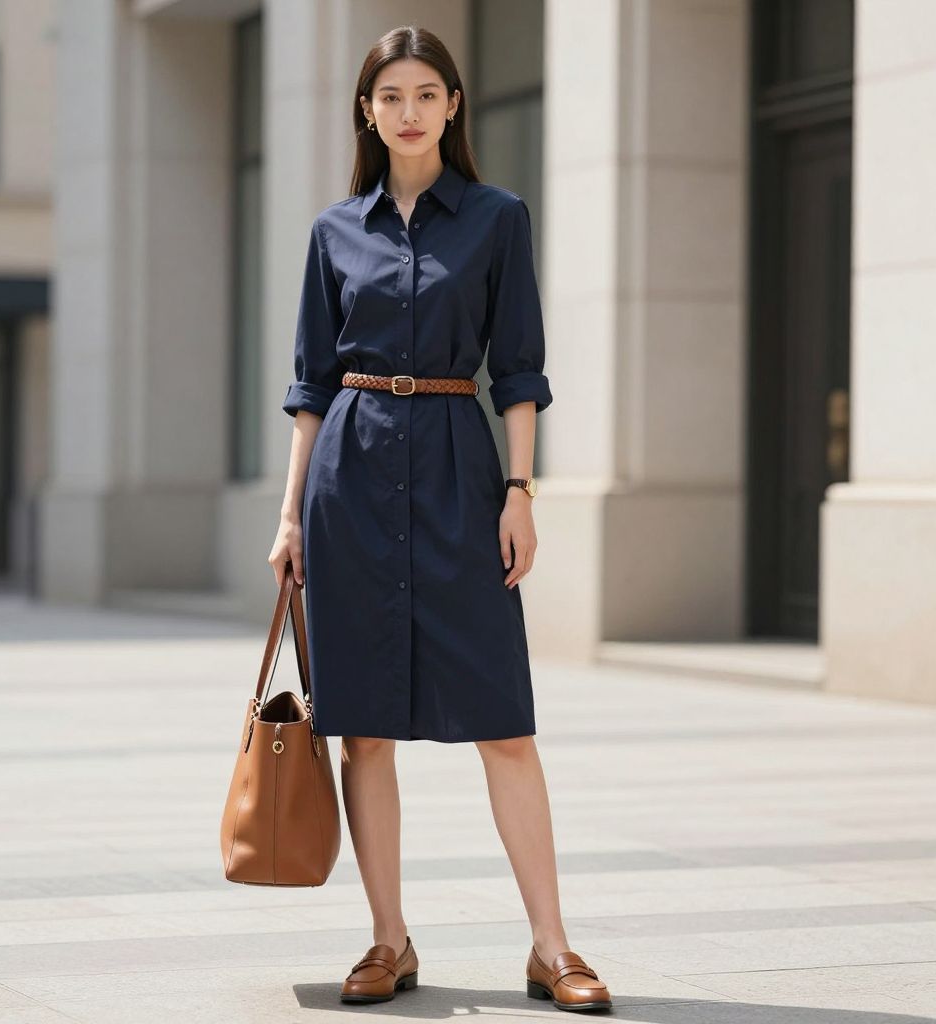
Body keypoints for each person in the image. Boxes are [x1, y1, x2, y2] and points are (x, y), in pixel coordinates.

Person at [267, 23, 612, 1014]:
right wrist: (291, 518)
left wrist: (521, 491)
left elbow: (521, 371)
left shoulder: (497, 219)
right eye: (390, 96)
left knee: (503, 723)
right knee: (360, 731)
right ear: (366, 113)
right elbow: (309, 385)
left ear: (453, 105)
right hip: (351, 480)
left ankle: (551, 948)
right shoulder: (335, 232)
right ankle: (387, 940)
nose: (408, 111)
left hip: (462, 476)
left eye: (425, 93)